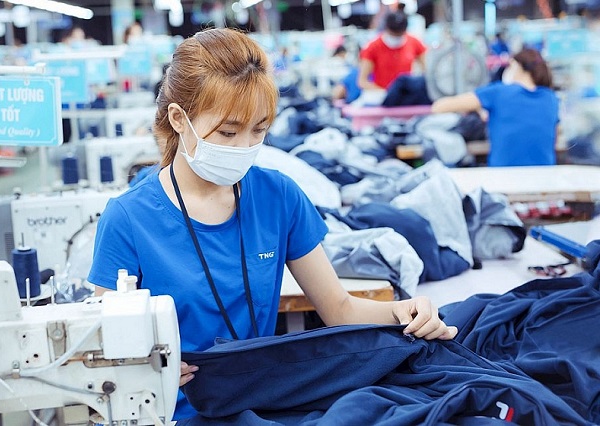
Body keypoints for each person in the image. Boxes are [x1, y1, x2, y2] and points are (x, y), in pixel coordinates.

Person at [88, 28, 457, 421]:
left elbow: (340, 309)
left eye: (259, 130)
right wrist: (145, 370)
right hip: (173, 412)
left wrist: (405, 311)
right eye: (228, 132)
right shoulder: (128, 219)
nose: (245, 146)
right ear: (179, 119)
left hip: (264, 401)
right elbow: (104, 355)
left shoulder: (278, 196)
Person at [431, 48, 559, 167]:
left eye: (510, 66)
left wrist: (476, 107)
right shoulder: (551, 98)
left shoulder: (498, 92)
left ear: (518, 67)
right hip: (543, 174)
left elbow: (439, 107)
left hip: (503, 176)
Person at [357, 5, 426, 93]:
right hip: (382, 94)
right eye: (394, 34)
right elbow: (362, 81)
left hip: (406, 93)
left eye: (399, 34)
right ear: (386, 28)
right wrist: (385, 93)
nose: (396, 37)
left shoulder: (414, 42)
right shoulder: (372, 47)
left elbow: (427, 70)